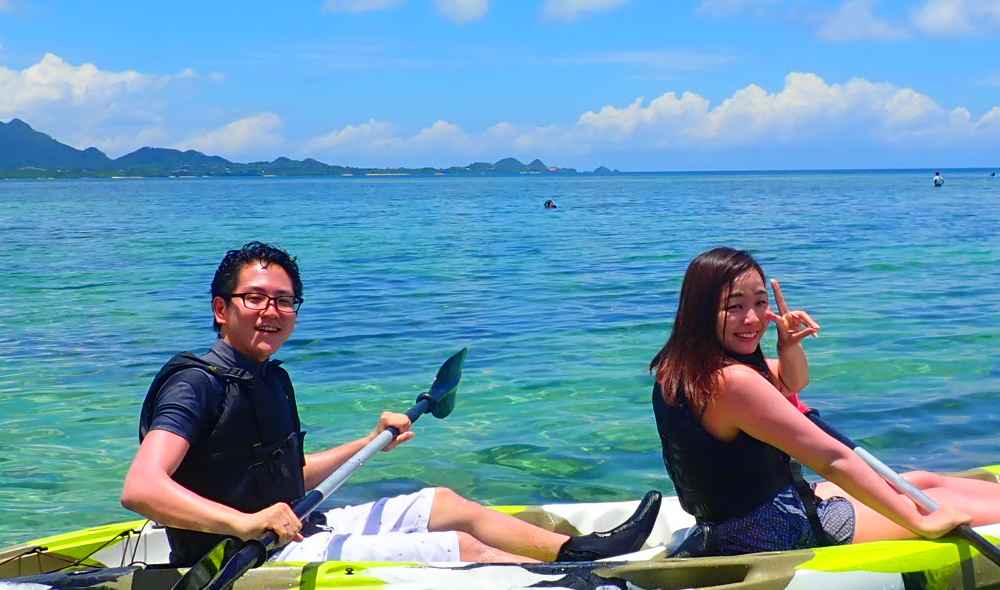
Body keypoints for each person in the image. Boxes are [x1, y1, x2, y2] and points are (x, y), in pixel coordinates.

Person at [124, 241, 661, 568]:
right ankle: (576, 587)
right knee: (459, 546)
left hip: (295, 527)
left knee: (447, 503)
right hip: (237, 555)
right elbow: (142, 488)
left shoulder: (269, 377)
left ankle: (579, 554)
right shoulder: (197, 384)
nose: (272, 311)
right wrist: (243, 524)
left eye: (284, 301)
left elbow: (286, 478)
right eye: (255, 298)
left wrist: (368, 442)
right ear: (222, 309)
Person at [649, 248, 1000, 557]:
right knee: (933, 500)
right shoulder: (732, 382)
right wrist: (921, 519)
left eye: (760, 302)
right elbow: (833, 457)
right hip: (773, 529)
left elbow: (790, 386)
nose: (753, 318)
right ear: (701, 310)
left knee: (920, 479)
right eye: (734, 306)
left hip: (744, 515)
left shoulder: (683, 367)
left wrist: (788, 346)